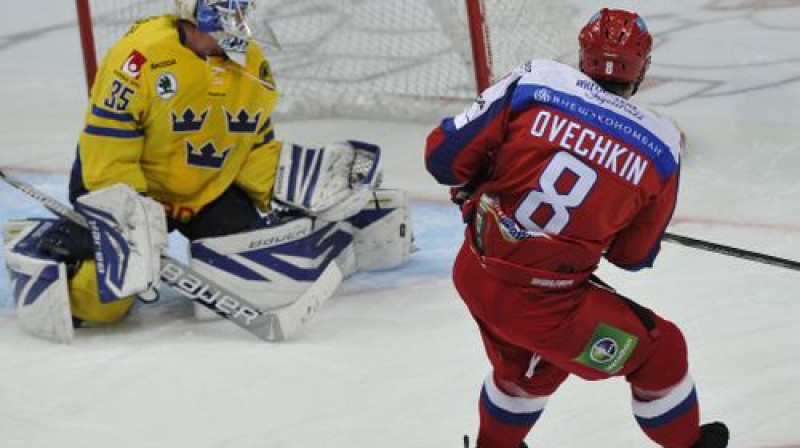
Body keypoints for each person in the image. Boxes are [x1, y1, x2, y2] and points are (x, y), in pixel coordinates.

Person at [3, 0, 411, 342]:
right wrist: (130, 217)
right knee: (107, 301)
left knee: (264, 275)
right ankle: (47, 244)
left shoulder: (251, 64)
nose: (242, 19)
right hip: (126, 189)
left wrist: (298, 179)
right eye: (232, 9)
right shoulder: (139, 58)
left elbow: (249, 145)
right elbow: (106, 147)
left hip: (206, 193)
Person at [425, 8, 728, 448]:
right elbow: (632, 256)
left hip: (476, 272)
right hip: (547, 308)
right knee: (661, 351)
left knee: (532, 368)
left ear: (584, 56)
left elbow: (442, 159)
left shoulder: (536, 81)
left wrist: (486, 177)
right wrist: (602, 219)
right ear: (641, 68)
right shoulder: (659, 144)